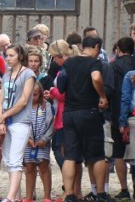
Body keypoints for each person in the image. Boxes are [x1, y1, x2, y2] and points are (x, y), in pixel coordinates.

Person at [57, 36, 110, 202]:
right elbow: (96, 77)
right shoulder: (94, 63)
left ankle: (70, 194)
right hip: (89, 112)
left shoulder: (69, 62)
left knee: (71, 156)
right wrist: (102, 96)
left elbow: (60, 85)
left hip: (69, 114)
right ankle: (100, 194)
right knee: (97, 156)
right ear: (95, 47)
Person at [0, 45, 36, 202]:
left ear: (19, 56)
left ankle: (10, 196)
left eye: (11, 55)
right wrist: (0, 120)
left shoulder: (28, 74)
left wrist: (3, 116)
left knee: (15, 160)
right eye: (6, 55)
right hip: (6, 121)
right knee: (7, 161)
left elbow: (23, 100)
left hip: (20, 121)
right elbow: (0, 100)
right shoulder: (6, 75)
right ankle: (16, 197)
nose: (7, 58)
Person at [45, 40, 82, 198]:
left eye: (54, 57)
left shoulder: (65, 70)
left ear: (60, 55)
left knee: (66, 155)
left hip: (65, 115)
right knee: (76, 157)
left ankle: (69, 192)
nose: (53, 60)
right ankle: (77, 191)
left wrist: (52, 90)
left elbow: (64, 94)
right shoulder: (78, 66)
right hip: (76, 113)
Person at [110, 37, 135, 201]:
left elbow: (112, 89)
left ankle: (124, 188)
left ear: (118, 49)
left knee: (119, 153)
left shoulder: (113, 66)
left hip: (117, 112)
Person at [23, 81, 54, 202]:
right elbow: (21, 125)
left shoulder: (46, 106)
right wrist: (27, 139)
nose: (32, 97)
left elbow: (51, 124)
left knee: (44, 167)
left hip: (43, 143)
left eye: (35, 94)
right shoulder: (24, 107)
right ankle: (29, 196)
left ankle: (47, 196)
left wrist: (45, 139)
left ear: (40, 94)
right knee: (29, 168)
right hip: (28, 143)